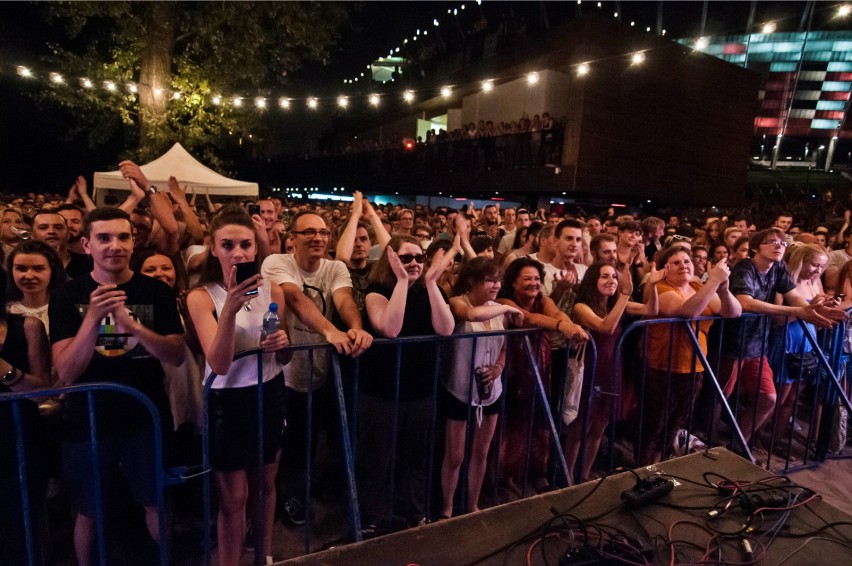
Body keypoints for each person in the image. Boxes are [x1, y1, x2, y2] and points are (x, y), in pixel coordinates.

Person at [49, 207, 185, 566]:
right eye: (104, 238)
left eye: (123, 237)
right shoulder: (66, 296)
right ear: (86, 244)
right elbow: (65, 371)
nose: (115, 245)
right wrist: (93, 319)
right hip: (88, 420)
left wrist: (135, 327)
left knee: (155, 500)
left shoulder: (154, 290)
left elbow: (175, 355)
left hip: (146, 415)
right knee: (88, 508)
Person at [187, 205, 291, 566]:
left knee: (264, 486)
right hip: (228, 401)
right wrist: (230, 307)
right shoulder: (201, 297)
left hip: (270, 392)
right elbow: (217, 362)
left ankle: (263, 554)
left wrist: (283, 344)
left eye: (246, 244)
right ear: (213, 248)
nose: (238, 253)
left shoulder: (273, 288)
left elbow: (286, 353)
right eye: (228, 244)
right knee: (233, 499)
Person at [261, 210, 372, 525]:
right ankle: (289, 498)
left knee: (321, 438)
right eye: (309, 232)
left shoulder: (335, 266)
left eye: (323, 232)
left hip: (322, 371)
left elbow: (345, 300)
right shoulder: (277, 263)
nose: (318, 238)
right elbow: (294, 298)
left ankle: (318, 492)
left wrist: (355, 327)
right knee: (290, 443)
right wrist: (329, 332)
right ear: (292, 239)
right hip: (283, 373)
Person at [719, 228, 844, 453]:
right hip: (733, 344)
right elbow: (745, 302)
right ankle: (708, 444)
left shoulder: (778, 268)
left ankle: (738, 445)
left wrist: (812, 309)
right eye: (771, 242)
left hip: (758, 346)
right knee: (720, 397)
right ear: (756, 247)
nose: (779, 246)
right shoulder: (745, 268)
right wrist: (797, 310)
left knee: (768, 398)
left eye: (782, 243)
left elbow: (794, 296)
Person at [360, 235, 456, 528]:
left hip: (420, 389)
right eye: (406, 258)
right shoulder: (377, 289)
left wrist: (430, 284)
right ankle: (371, 518)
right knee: (378, 458)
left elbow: (446, 328)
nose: (414, 262)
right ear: (391, 260)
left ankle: (414, 512)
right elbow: (390, 328)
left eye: (419, 257)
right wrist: (402, 282)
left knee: (416, 456)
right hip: (382, 389)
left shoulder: (431, 289)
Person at [635, 247, 740, 465]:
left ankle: (657, 467)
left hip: (695, 366)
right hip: (663, 367)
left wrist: (723, 290)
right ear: (664, 269)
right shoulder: (658, 288)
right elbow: (687, 311)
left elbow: (733, 312)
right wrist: (713, 282)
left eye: (686, 261)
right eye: (676, 262)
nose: (683, 265)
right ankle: (639, 470)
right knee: (652, 425)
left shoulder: (696, 286)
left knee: (674, 425)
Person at [563, 261, 661, 482]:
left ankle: (583, 475)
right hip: (589, 368)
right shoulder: (582, 306)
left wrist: (652, 285)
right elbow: (605, 327)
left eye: (614, 277)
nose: (611, 281)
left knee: (599, 426)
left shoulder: (616, 304)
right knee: (580, 426)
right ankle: (566, 476)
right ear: (592, 280)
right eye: (604, 276)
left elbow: (651, 310)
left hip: (611, 368)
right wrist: (625, 294)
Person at [496, 258, 587, 493]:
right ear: (513, 282)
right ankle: (506, 475)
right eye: (527, 278)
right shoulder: (504, 300)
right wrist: (561, 326)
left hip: (540, 363)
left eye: (537, 278)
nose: (533, 283)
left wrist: (569, 325)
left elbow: (556, 312)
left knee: (540, 417)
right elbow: (526, 318)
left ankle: (537, 471)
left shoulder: (543, 299)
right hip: (513, 364)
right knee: (512, 418)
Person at [440, 258, 520, 519]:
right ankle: (447, 508)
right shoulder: (457, 302)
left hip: (491, 390)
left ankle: (472, 505)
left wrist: (498, 368)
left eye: (499, 280)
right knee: (455, 455)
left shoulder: (501, 309)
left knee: (481, 451)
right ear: (473, 281)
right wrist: (506, 309)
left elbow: (505, 347)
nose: (496, 285)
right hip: (460, 387)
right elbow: (471, 315)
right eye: (490, 280)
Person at [0, 270, 51, 565]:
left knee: (25, 527)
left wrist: (3, 367)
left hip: (18, 438)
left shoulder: (26, 326)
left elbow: (41, 392)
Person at [767, 244, 829, 459]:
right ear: (802, 261)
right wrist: (804, 312)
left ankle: (777, 439)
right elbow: (776, 319)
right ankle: (760, 437)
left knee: (792, 399)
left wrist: (823, 308)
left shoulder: (815, 283)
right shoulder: (785, 283)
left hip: (808, 342)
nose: (817, 270)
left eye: (821, 266)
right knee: (778, 397)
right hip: (787, 340)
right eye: (814, 264)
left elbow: (817, 321)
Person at [6, 240, 66, 334]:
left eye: (38, 269)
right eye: (21, 269)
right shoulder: (4, 310)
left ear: (52, 271)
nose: (29, 276)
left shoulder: (67, 309)